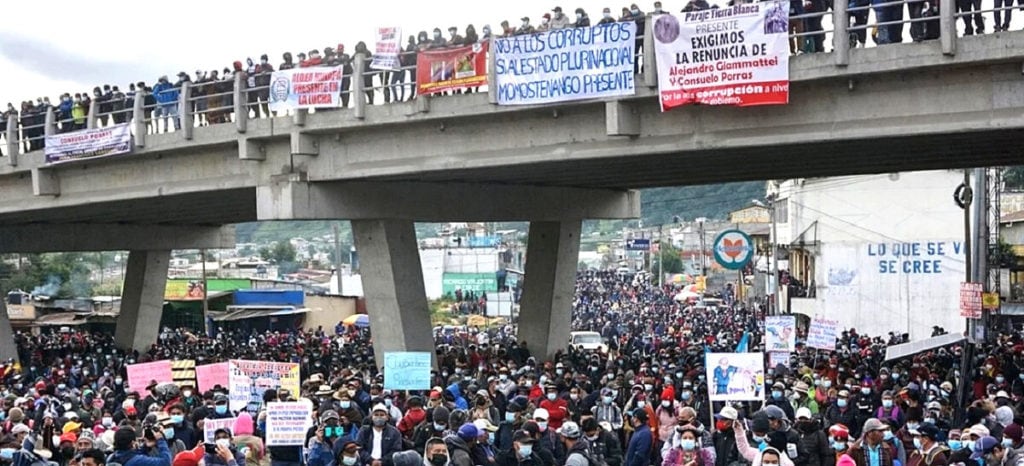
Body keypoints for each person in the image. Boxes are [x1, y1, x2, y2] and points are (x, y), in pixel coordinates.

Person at [108, 426, 173, 466]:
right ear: (133, 443)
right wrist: (160, 440)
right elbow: (165, 462)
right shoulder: (138, 461)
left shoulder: (112, 457)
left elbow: (131, 454)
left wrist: (145, 447)